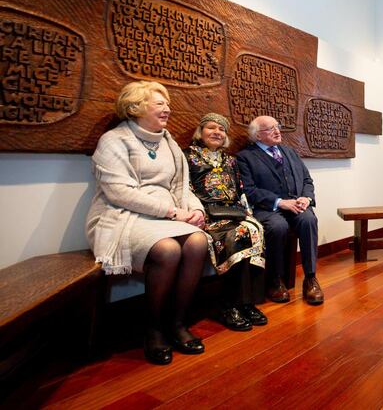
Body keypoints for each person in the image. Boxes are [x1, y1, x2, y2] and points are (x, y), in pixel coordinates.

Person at [86, 81, 208, 365]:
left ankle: (177, 324)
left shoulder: (169, 142)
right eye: (159, 104)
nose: (168, 109)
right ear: (136, 108)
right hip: (122, 215)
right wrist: (173, 213)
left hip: (167, 214)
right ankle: (152, 330)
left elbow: (181, 185)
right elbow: (120, 193)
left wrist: (196, 209)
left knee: (198, 242)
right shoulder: (114, 140)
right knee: (167, 250)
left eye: (167, 103)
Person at [185, 113, 267, 331]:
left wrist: (248, 214)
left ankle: (247, 303)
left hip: (233, 213)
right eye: (211, 127)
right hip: (207, 216)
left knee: (255, 229)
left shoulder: (230, 160)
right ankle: (228, 306)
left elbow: (240, 191)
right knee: (237, 237)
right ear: (200, 131)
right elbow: (184, 190)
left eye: (221, 129)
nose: (217, 132)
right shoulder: (188, 157)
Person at [237, 115, 324, 305]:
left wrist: (306, 198)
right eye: (270, 129)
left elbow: (307, 180)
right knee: (277, 227)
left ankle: (310, 278)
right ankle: (275, 280)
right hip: (268, 209)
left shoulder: (289, 152)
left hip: (297, 205)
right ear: (257, 136)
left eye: (277, 126)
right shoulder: (245, 157)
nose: (277, 131)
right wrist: (279, 202)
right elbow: (249, 190)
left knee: (309, 220)